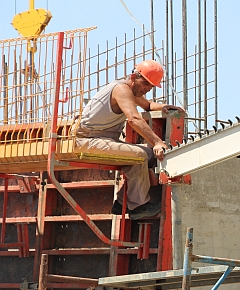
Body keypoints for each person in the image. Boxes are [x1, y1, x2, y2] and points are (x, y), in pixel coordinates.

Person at [74, 60, 183, 220]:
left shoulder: (128, 90)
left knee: (144, 154)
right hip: (89, 140)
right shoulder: (122, 90)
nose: (147, 89)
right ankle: (138, 206)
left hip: (98, 140)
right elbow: (133, 119)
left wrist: (164, 107)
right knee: (141, 156)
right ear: (134, 77)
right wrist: (158, 142)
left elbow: (147, 105)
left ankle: (121, 202)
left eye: (151, 87)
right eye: (146, 84)